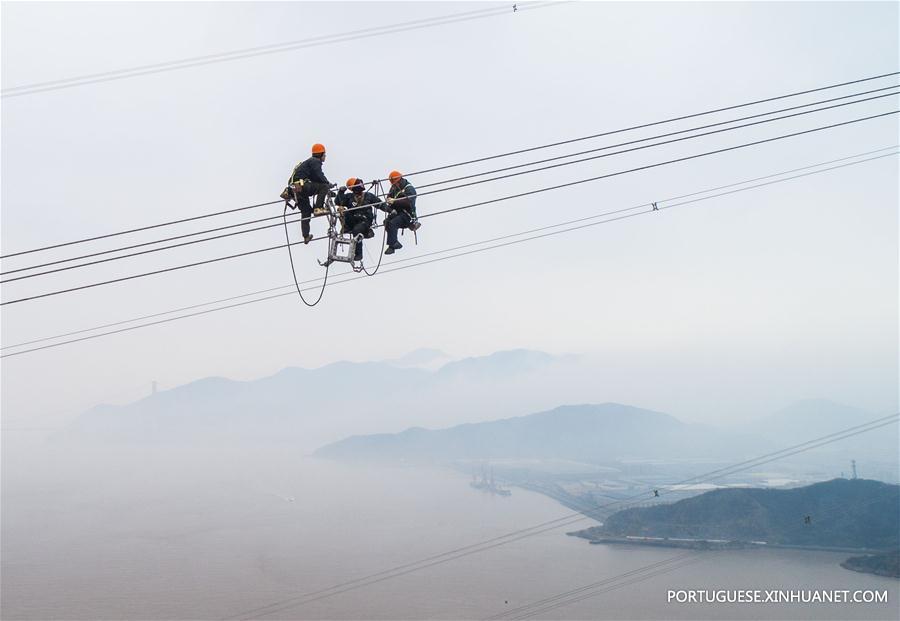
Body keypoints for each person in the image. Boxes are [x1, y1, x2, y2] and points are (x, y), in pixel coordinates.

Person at [286, 143, 333, 243]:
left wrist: (328, 190)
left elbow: (315, 179)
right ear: (320, 154)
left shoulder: (308, 163)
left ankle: (306, 236)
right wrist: (328, 184)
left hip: (296, 191)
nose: (325, 157)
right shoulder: (315, 161)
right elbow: (319, 176)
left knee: (306, 212)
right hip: (301, 187)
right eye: (324, 155)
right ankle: (318, 208)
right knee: (323, 186)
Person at [336, 178, 378, 261]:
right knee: (343, 210)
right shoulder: (349, 197)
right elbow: (338, 202)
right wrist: (340, 192)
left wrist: (391, 211)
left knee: (356, 230)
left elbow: (380, 204)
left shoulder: (368, 196)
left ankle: (359, 254)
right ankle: (347, 228)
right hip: (353, 220)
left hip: (364, 221)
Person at [382, 170, 420, 255]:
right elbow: (390, 196)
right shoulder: (394, 187)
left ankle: (393, 245)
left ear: (400, 180)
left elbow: (409, 202)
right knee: (386, 222)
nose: (395, 185)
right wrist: (389, 201)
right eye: (393, 184)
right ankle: (394, 244)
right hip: (397, 212)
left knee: (392, 223)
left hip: (407, 215)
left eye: (396, 183)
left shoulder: (409, 189)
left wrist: (395, 201)